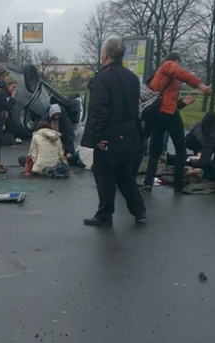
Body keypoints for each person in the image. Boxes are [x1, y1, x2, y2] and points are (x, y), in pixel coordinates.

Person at [80, 38, 146, 227]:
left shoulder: (103, 78)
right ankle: (139, 210)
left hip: (108, 134)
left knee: (104, 175)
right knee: (124, 174)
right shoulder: (132, 77)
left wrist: (97, 135)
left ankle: (105, 214)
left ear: (105, 55)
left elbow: (98, 109)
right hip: (128, 132)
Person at [140, 52, 211, 194]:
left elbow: (165, 98)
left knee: (154, 151)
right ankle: (178, 185)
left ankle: (148, 183)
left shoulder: (159, 73)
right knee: (180, 150)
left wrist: (182, 103)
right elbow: (179, 73)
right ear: (176, 61)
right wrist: (200, 85)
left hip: (158, 114)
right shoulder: (169, 65)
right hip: (169, 114)